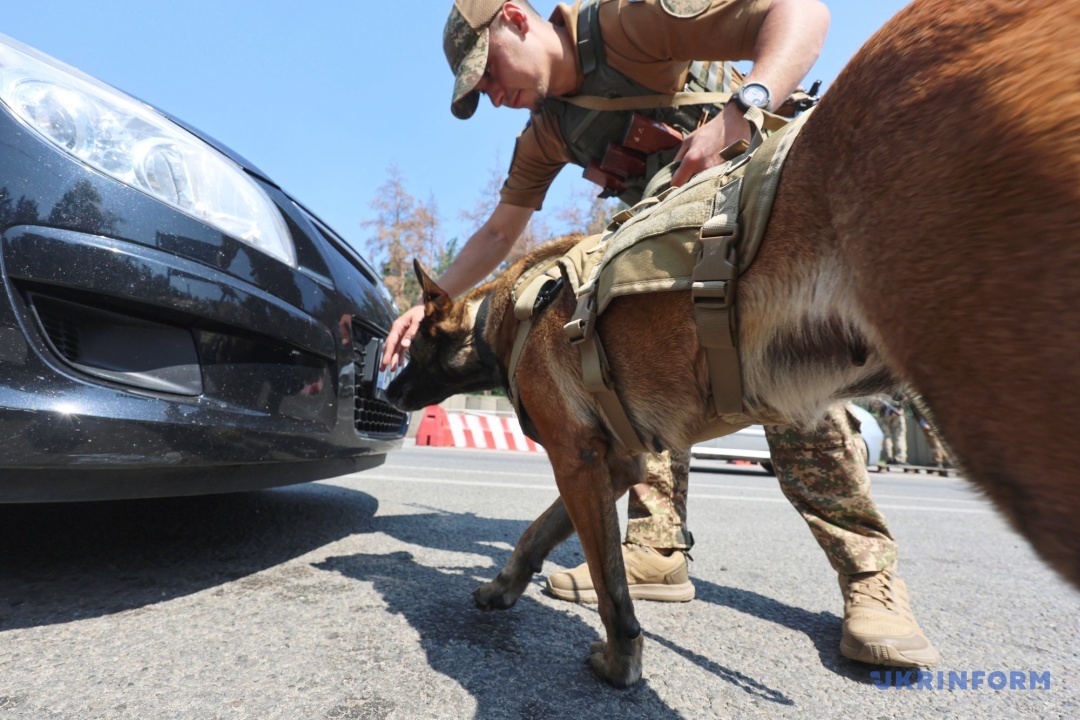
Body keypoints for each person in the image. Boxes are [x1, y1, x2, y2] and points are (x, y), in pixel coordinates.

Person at [382, 0, 939, 668]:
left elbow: (801, 14)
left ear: (517, 17)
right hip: (656, 269)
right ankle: (655, 552)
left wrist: (740, 111)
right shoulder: (546, 132)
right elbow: (500, 231)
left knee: (792, 392)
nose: (495, 96)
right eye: (480, 93)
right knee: (622, 397)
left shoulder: (624, 23)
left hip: (752, 226)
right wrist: (432, 301)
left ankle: (867, 574)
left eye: (489, 72)